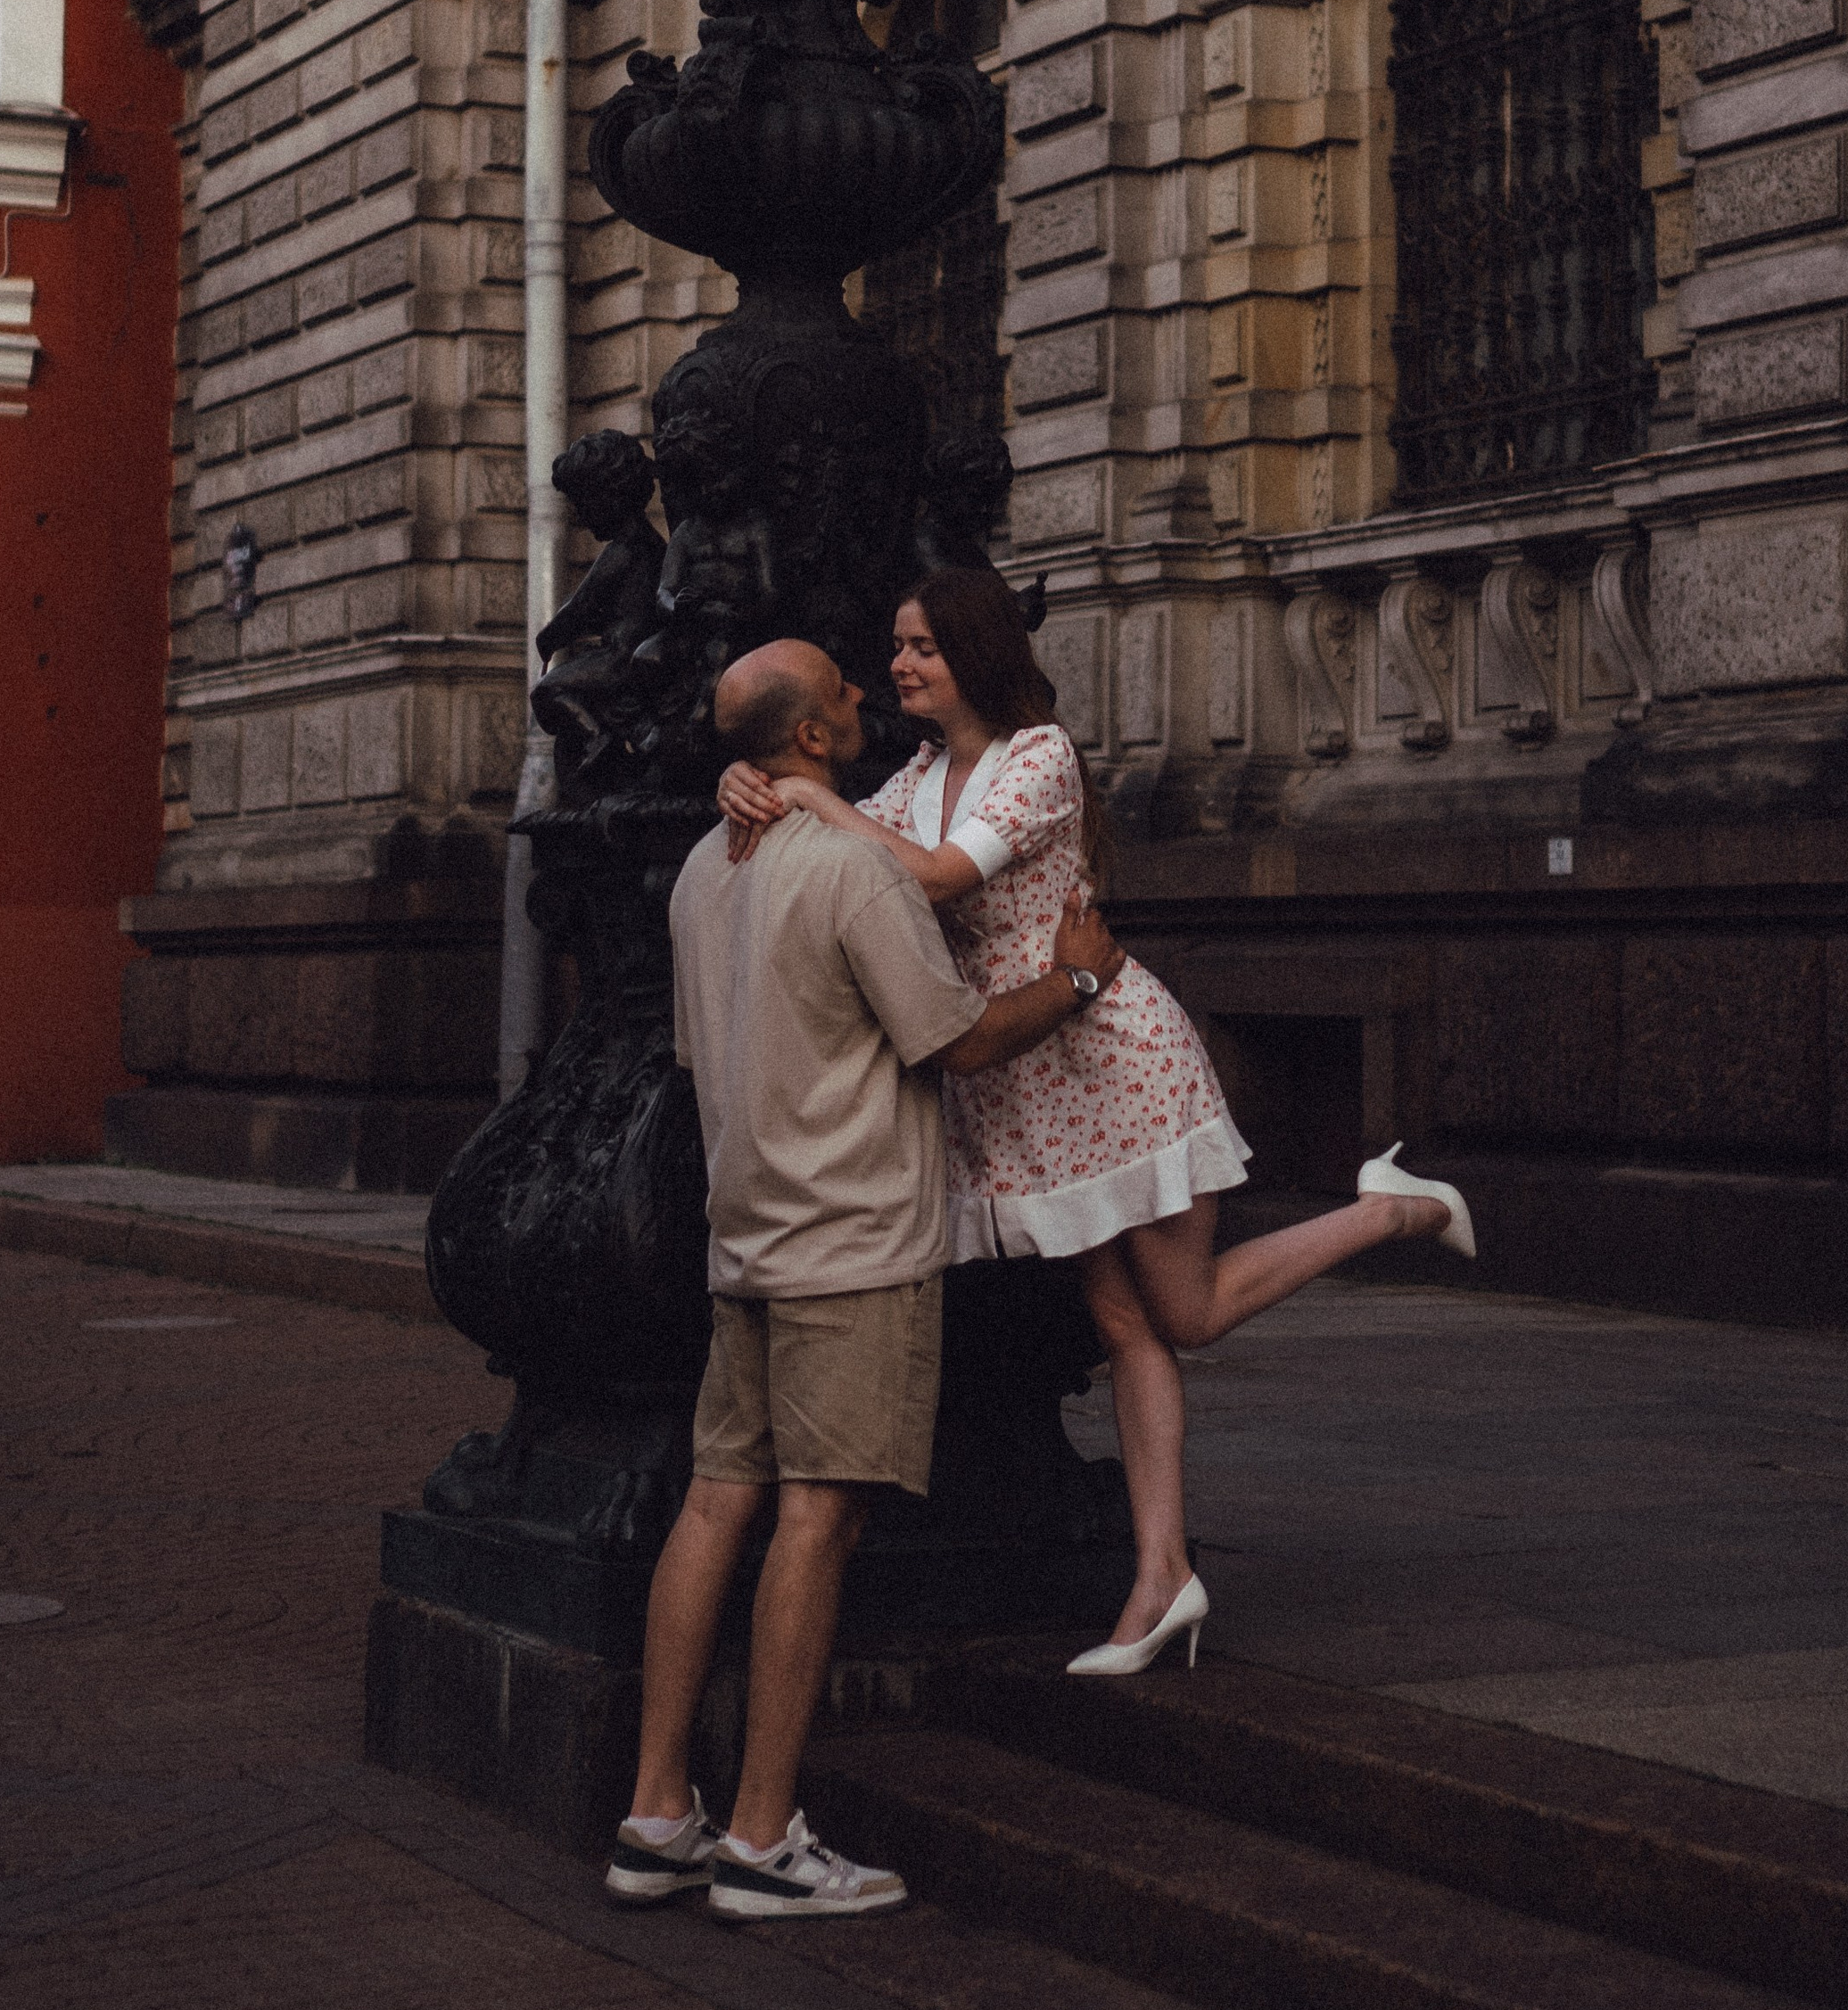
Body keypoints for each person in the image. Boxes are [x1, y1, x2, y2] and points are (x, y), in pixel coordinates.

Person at [718, 565, 1476, 1676]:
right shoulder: (916, 775)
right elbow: (852, 852)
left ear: (973, 654)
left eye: (921, 646)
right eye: (897, 645)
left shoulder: (1040, 758)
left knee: (1185, 1312)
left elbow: (934, 879)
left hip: (1110, 1062)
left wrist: (809, 797)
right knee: (1125, 1328)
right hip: (1023, 1082)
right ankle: (1161, 1578)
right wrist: (748, 777)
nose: (898, 665)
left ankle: (1388, 1212)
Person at [608, 634, 1126, 1920]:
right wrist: (1076, 977)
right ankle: (761, 1840)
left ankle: (655, 1815)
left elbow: (702, 1056)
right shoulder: (852, 870)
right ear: (813, 738)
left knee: (713, 1508)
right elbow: (958, 1040)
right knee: (818, 1523)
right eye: (842, 687)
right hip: (852, 1247)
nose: (860, 692)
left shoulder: (703, 869)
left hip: (746, 1241)